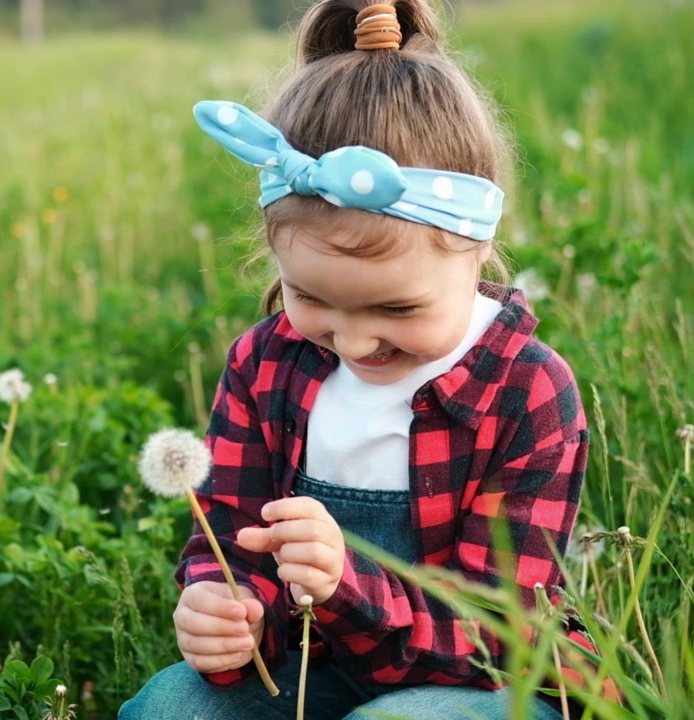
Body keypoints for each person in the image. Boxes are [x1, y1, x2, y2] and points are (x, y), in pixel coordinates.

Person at [119, 1, 603, 718]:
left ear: (476, 250)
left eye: (397, 310)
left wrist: (347, 585)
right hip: (310, 666)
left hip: (480, 686)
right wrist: (225, 604)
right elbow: (228, 534)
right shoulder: (266, 363)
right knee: (170, 708)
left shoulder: (525, 391)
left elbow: (498, 635)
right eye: (310, 297)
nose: (351, 343)